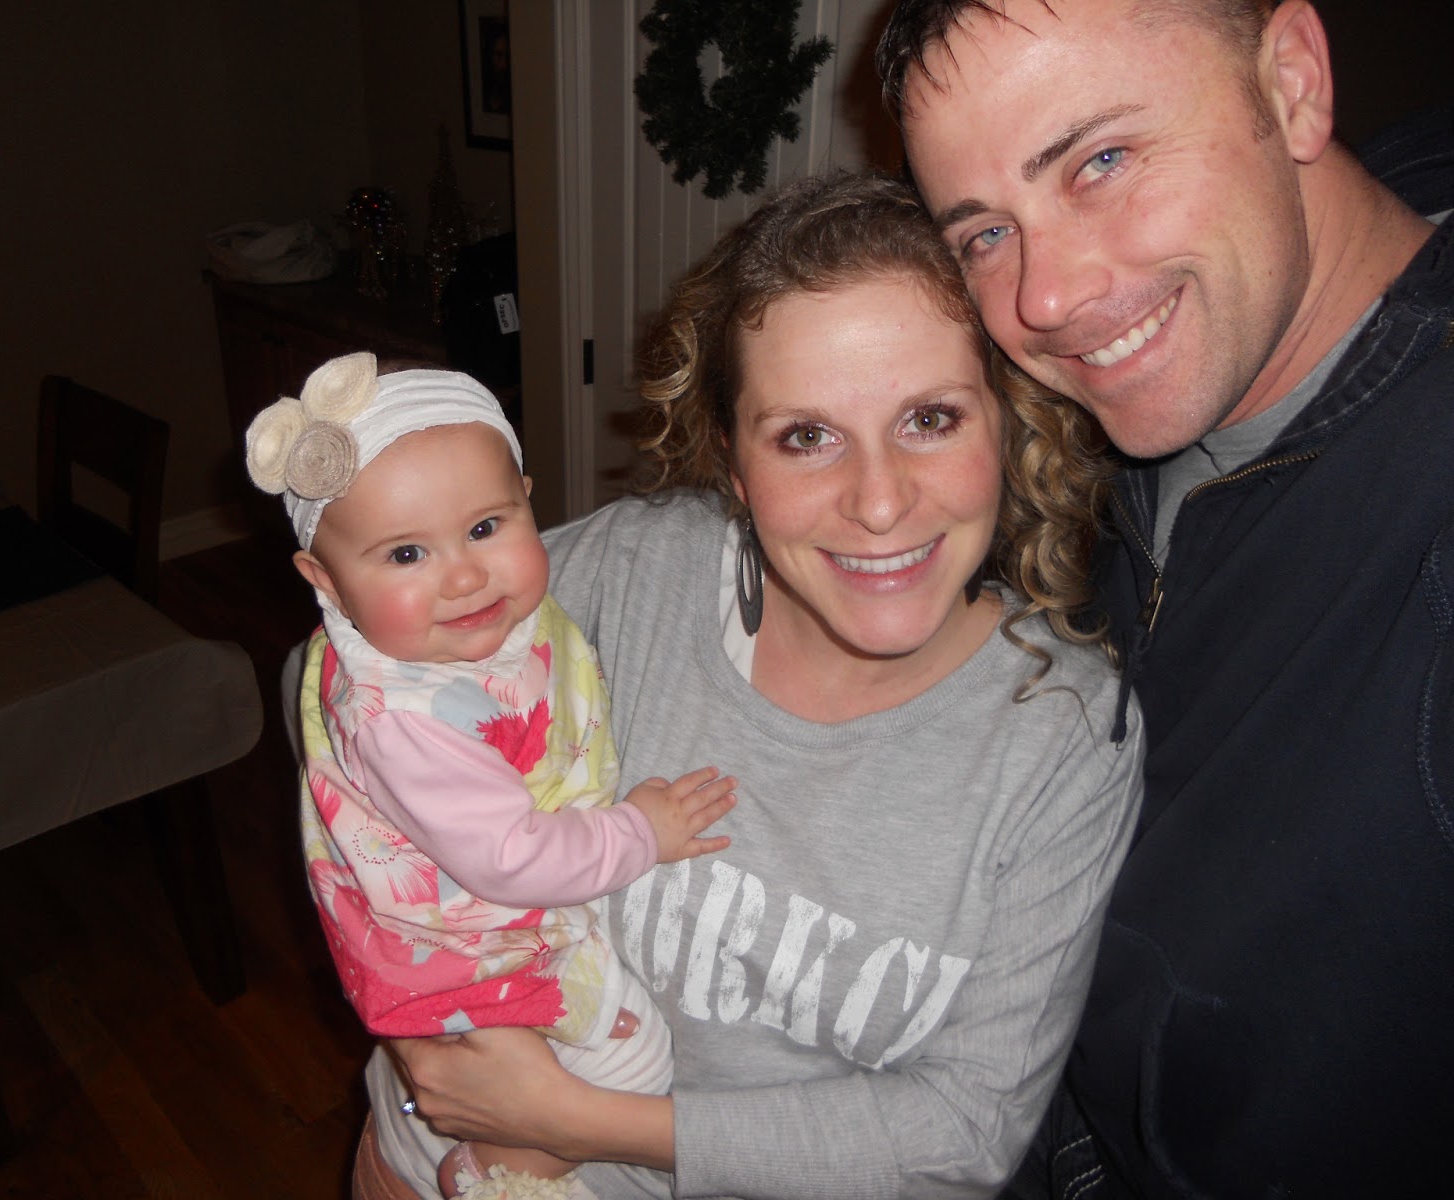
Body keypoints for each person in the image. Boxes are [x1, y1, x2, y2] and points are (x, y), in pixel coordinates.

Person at [365, 170, 1145, 1200]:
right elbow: (343, 683)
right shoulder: (636, 573)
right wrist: (418, 987)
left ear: (1007, 424)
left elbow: (964, 1131)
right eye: (805, 436)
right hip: (431, 1160)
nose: (877, 502)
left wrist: (572, 1120)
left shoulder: (1063, 735)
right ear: (734, 468)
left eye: (930, 418)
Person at [881, 1, 1454, 1195]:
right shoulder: (1164, 389)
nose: (1043, 298)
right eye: (983, 233)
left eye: (1100, 160)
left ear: (1293, 82)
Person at [245, 357, 738, 1198]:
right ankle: (493, 1178)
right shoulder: (407, 719)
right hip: (467, 953)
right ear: (326, 583)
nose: (465, 576)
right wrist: (639, 833)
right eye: (406, 553)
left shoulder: (446, 632)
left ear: (528, 502)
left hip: (476, 929)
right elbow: (509, 857)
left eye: (484, 527)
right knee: (634, 1061)